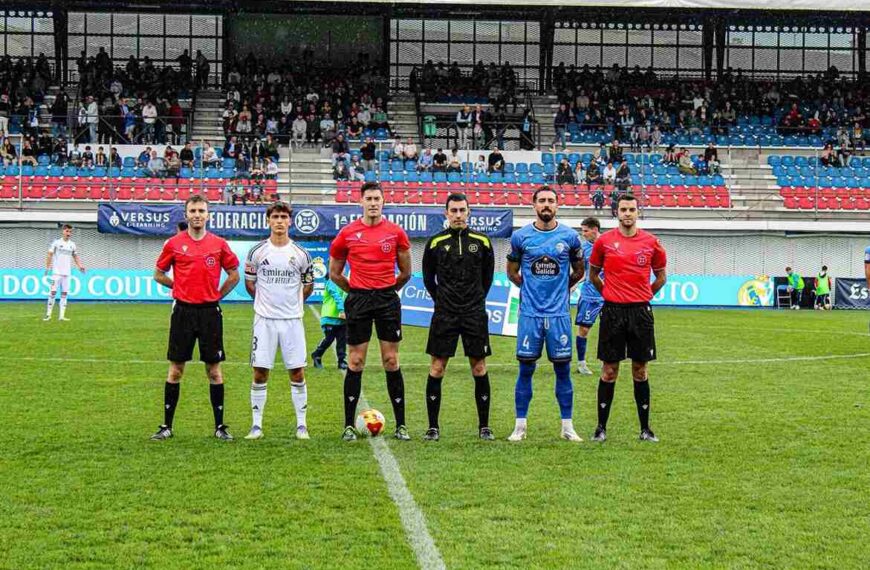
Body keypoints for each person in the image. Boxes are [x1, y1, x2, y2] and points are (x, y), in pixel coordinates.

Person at [151, 195, 241, 441]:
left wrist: (216, 295)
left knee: (214, 371)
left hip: (210, 313)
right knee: (176, 370)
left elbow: (234, 275)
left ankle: (220, 427)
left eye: (202, 210)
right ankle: (166, 427)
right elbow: (158, 274)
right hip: (183, 312)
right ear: (186, 214)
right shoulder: (174, 244)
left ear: (208, 214)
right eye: (193, 210)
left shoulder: (219, 244)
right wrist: (177, 287)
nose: (197, 214)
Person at [329, 182, 412, 441]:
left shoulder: (396, 232)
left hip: (387, 299)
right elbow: (335, 273)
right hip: (359, 300)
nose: (373, 203)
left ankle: (401, 426)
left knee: (391, 360)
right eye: (369, 198)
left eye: (377, 198)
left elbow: (406, 272)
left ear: (383, 201)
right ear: (361, 201)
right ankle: (348, 425)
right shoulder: (348, 233)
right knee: (355, 361)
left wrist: (385, 289)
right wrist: (355, 289)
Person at [506, 186, 585, 442]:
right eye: (542, 201)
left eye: (551, 201)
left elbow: (579, 271)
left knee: (563, 371)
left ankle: (567, 427)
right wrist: (529, 288)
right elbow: (512, 272)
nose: (546, 205)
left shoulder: (570, 237)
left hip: (559, 315)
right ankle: (520, 426)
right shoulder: (521, 237)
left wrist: (563, 288)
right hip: (530, 314)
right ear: (534, 205)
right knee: (525, 370)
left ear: (557, 205)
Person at [588, 193, 667, 443]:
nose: (628, 214)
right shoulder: (604, 242)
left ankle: (645, 429)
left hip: (640, 313)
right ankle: (601, 428)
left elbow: (661, 277)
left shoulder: (652, 242)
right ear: (616, 212)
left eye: (632, 209)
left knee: (640, 370)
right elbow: (593, 275)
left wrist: (643, 296)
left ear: (638, 212)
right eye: (623, 209)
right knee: (609, 370)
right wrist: (611, 295)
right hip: (612, 312)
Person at [421, 193, 496, 441]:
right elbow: (428, 279)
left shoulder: (482, 241)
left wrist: (475, 300)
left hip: (474, 313)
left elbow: (487, 278)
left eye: (462, 210)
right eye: (453, 211)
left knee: (479, 367)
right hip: (445, 314)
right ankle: (433, 427)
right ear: (446, 213)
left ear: (469, 212)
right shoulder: (435, 243)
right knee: (437, 367)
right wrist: (442, 300)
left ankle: (484, 426)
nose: (458, 215)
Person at [243, 202, 314, 440]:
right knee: (260, 372)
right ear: (268, 220)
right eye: (275, 216)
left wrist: (294, 304)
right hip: (264, 321)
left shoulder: (301, 254)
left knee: (297, 372)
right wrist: (266, 304)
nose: (280, 221)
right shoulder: (257, 252)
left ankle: (302, 425)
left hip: (292, 321)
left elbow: (308, 284)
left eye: (284, 217)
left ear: (290, 221)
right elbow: (250, 283)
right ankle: (256, 425)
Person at [575, 217, 604, 375]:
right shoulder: (584, 249)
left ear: (595, 229)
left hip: (608, 295)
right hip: (589, 295)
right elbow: (581, 271)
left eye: (585, 231)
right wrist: (573, 284)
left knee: (609, 330)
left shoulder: (609, 244)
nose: (583, 234)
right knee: (584, 329)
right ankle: (581, 363)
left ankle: (607, 362)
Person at [44, 224, 86, 322]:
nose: (69, 233)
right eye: (67, 231)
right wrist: (47, 267)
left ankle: (61, 316)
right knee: (53, 292)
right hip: (56, 273)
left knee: (64, 294)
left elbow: (75, 256)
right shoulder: (56, 243)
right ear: (63, 231)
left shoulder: (72, 245)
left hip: (67, 273)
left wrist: (80, 266)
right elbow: (49, 254)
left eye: (70, 232)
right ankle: (48, 315)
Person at [311, 263, 348, 370]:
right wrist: (341, 310)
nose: (343, 270)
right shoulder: (331, 282)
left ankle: (341, 361)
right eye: (341, 268)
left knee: (342, 340)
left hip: (342, 318)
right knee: (329, 339)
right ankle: (317, 355)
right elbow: (337, 296)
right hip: (330, 316)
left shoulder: (344, 282)